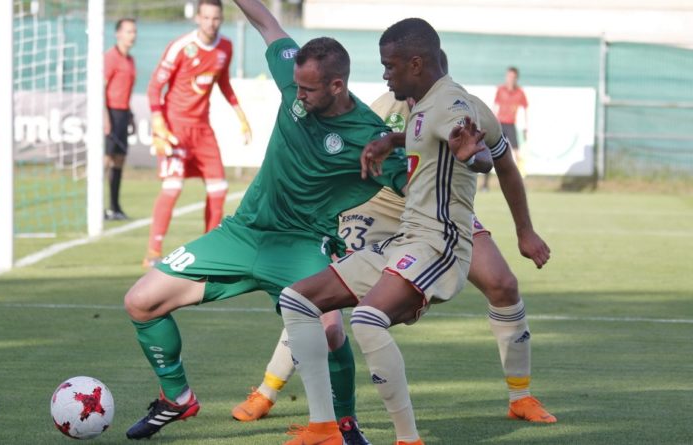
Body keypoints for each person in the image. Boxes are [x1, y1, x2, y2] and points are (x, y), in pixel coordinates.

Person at [121, 0, 408, 442]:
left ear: (336, 85)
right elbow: (266, 21)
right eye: (296, 86)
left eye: (309, 91)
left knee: (331, 331)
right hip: (244, 232)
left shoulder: (368, 137)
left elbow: (415, 182)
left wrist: (470, 156)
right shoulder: (297, 79)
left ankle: (345, 425)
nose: (299, 96)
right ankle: (177, 398)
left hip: (303, 243)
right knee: (141, 301)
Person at [234, 50, 555, 428]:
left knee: (503, 284)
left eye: (392, 67)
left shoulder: (461, 106)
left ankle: (520, 396)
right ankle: (268, 389)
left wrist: (524, 230)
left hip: (439, 212)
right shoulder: (382, 106)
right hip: (378, 206)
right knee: (319, 300)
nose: (388, 75)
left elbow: (492, 160)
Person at [278, 18, 494, 445]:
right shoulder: (421, 106)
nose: (384, 74)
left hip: (440, 244)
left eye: (389, 66)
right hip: (404, 241)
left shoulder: (451, 105)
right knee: (297, 299)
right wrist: (390, 142)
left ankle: (407, 439)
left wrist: (474, 155)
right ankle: (323, 428)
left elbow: (473, 146)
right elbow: (423, 135)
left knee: (367, 319)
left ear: (416, 63)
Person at [144, 0, 252, 266]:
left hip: (203, 129)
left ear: (221, 19)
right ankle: (153, 252)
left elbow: (223, 83)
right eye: (205, 17)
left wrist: (241, 115)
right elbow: (154, 87)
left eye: (215, 18)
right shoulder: (181, 47)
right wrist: (158, 122)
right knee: (172, 187)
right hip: (175, 128)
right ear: (198, 18)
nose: (210, 23)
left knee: (219, 188)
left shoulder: (225, 46)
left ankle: (208, 249)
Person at [103, 18, 137, 221]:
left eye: (134, 32)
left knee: (119, 160)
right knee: (105, 160)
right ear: (118, 34)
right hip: (110, 112)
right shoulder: (110, 57)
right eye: (129, 31)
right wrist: (105, 117)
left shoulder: (130, 60)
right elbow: (102, 88)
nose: (132, 35)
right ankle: (95, 207)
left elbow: (125, 90)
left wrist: (130, 114)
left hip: (123, 113)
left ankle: (115, 207)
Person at [484, 66, 528, 191]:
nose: (510, 79)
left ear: (516, 78)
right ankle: (485, 184)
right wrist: (490, 122)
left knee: (517, 154)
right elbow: (494, 107)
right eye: (508, 76)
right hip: (499, 125)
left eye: (512, 77)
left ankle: (520, 183)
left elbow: (525, 109)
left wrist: (526, 127)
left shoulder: (520, 92)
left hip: (511, 125)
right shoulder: (501, 90)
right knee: (490, 153)